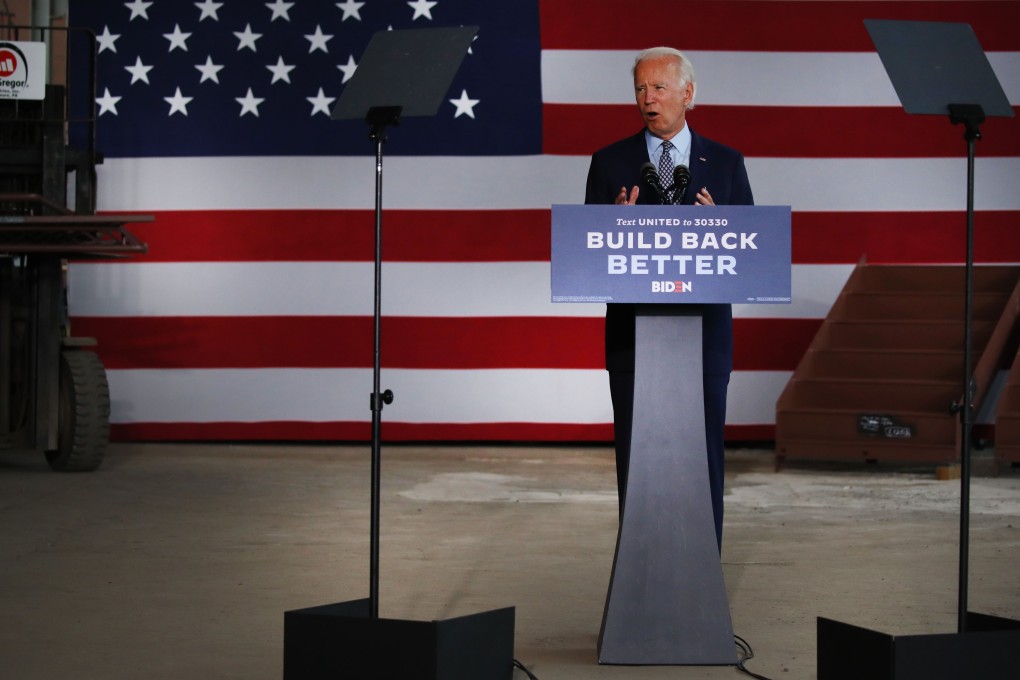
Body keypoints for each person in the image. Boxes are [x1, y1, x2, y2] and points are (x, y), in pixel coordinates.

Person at [584, 46, 754, 549]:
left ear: (688, 93)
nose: (648, 99)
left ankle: (704, 572)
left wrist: (720, 230)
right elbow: (588, 259)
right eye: (640, 88)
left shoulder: (726, 163)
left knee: (704, 457)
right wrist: (611, 229)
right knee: (637, 459)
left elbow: (749, 256)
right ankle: (640, 570)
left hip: (703, 339)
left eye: (659, 87)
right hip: (634, 342)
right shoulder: (609, 162)